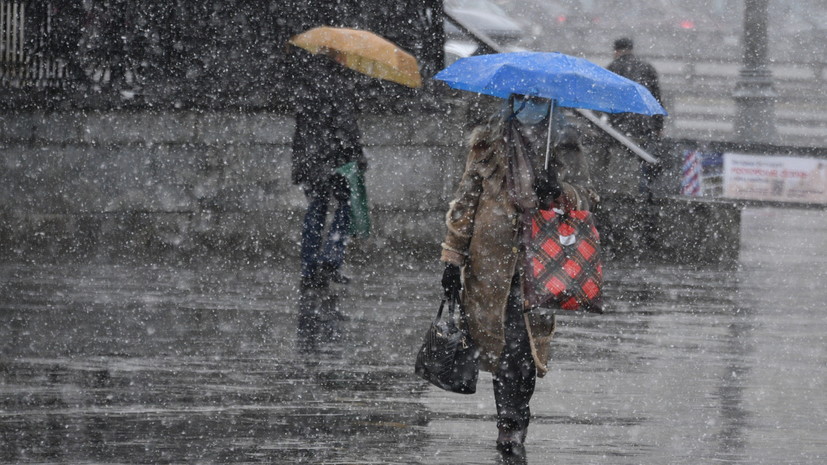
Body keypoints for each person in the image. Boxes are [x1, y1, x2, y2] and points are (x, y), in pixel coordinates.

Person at [439, 95, 596, 454]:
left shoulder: (565, 145)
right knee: (502, 345)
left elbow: (588, 197)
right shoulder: (487, 144)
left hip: (542, 261)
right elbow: (466, 200)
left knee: (525, 349)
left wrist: (559, 192)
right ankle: (507, 422)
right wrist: (452, 257)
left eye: (538, 100)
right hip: (491, 263)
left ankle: (517, 417)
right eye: (523, 98)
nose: (531, 105)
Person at [292, 55, 367, 297]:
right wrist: (357, 155)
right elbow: (346, 126)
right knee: (346, 206)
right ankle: (330, 259)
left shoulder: (305, 82)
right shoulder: (338, 84)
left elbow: (302, 128)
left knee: (316, 209)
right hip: (334, 159)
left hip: (309, 160)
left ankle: (309, 269)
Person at [607, 37, 665, 197]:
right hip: (645, 126)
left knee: (623, 168)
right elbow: (657, 99)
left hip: (620, 129)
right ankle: (645, 195)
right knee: (645, 164)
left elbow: (607, 101)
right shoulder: (647, 68)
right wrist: (658, 125)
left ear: (616, 51)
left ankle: (625, 198)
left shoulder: (612, 69)